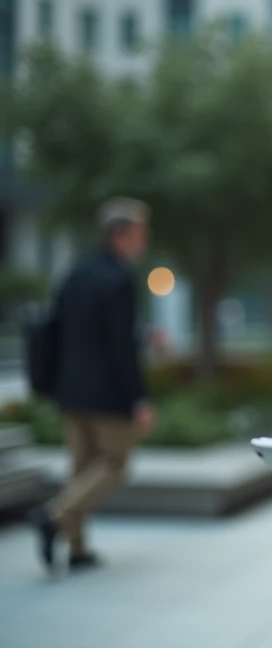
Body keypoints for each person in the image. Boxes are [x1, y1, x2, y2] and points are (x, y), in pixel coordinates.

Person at [30, 197, 156, 572]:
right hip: (108, 393)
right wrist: (139, 397)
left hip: (71, 388)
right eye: (139, 232)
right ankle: (55, 515)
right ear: (119, 234)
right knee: (114, 464)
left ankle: (77, 549)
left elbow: (55, 333)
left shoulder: (75, 274)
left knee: (81, 467)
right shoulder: (118, 280)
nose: (144, 240)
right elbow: (121, 346)